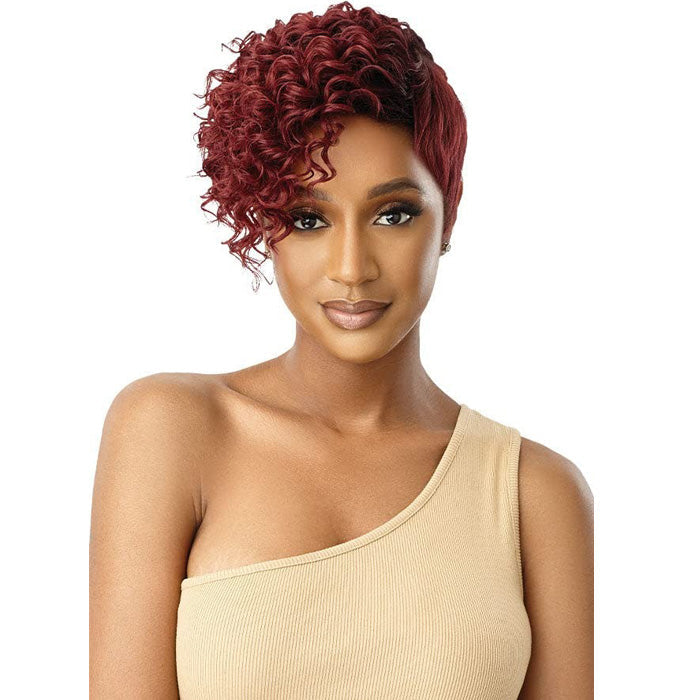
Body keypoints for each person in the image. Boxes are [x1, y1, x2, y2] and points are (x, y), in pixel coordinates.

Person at [89, 3, 593, 698]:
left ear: (449, 215)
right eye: (307, 219)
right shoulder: (170, 430)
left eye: (394, 213)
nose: (352, 267)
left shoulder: (534, 493)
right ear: (263, 224)